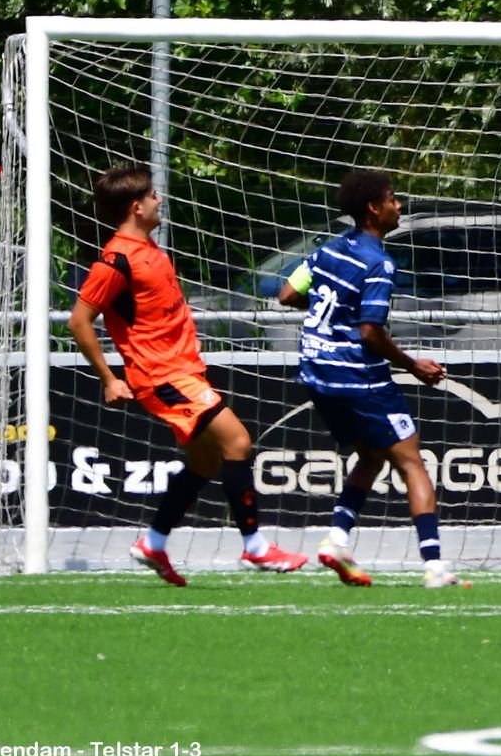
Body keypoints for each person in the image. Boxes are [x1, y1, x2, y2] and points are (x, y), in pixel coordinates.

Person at [69, 165, 308, 586]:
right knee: (238, 442)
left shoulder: (149, 250)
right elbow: (79, 321)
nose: (159, 200)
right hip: (161, 376)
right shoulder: (116, 259)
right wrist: (109, 378)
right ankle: (255, 548)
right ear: (136, 207)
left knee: (206, 459)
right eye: (152, 195)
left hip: (181, 371)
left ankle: (154, 542)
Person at [277, 169, 468, 589]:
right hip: (357, 377)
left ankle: (337, 540)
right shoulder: (379, 263)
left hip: (315, 372)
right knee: (412, 462)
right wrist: (413, 364)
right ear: (373, 208)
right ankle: (435, 567)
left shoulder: (327, 250)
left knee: (371, 455)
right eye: (393, 198)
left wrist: (331, 313)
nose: (399, 205)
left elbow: (287, 294)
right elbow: (370, 332)